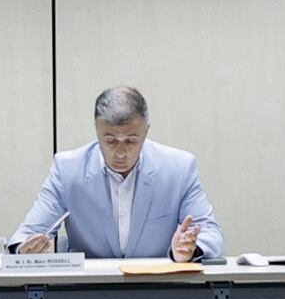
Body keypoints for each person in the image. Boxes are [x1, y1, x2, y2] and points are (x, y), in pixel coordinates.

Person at [13, 85, 223, 259]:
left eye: (131, 141)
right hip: (87, 294)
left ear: (146, 131)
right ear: (97, 130)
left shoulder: (179, 169)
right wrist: (25, 249)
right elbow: (26, 235)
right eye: (110, 140)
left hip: (161, 290)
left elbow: (211, 233)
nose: (120, 152)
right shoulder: (68, 170)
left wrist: (191, 249)